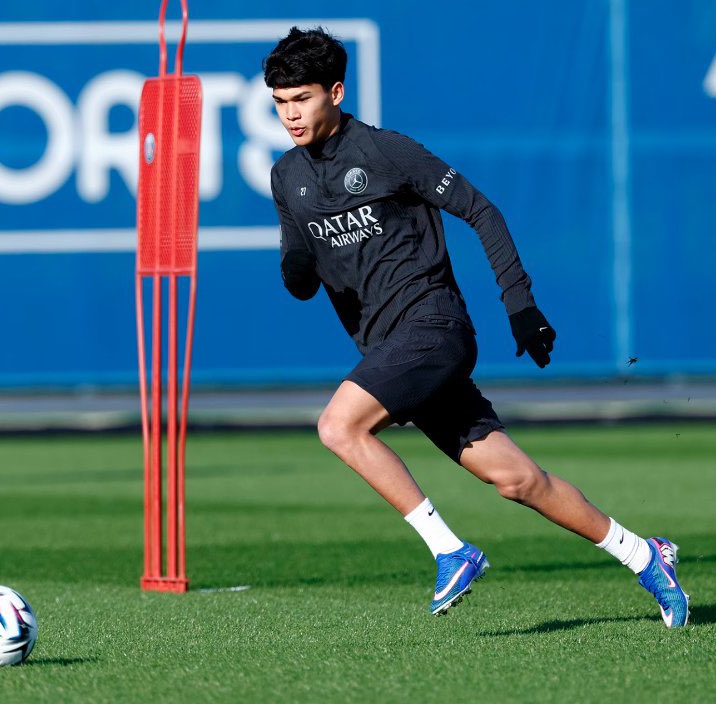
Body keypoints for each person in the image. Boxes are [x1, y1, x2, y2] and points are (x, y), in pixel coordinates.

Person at [264, 27, 689, 626]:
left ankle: (451, 550)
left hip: (433, 328)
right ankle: (645, 555)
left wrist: (520, 303)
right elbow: (300, 280)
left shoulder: (389, 152)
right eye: (280, 102)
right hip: (392, 350)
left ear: (335, 92)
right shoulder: (287, 179)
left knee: (338, 426)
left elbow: (480, 210)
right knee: (519, 480)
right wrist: (297, 262)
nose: (290, 114)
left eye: (301, 98)